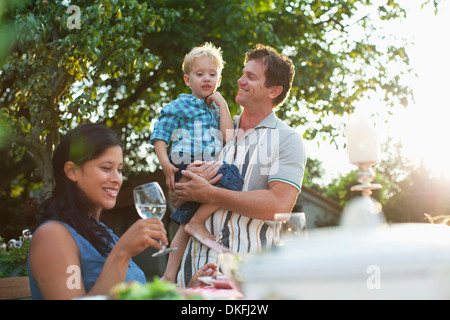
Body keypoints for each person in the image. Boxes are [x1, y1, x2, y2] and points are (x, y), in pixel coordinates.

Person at [27, 123, 213, 300]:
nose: (117, 179)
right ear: (72, 171)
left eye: (119, 170)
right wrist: (122, 252)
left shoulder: (103, 234)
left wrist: (189, 289)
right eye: (106, 168)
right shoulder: (53, 235)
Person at [173, 44, 307, 287]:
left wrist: (210, 193)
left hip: (248, 281)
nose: (240, 80)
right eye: (243, 74)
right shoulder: (213, 128)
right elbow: (178, 197)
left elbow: (279, 205)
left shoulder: (287, 139)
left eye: (251, 77)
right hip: (191, 275)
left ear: (274, 91)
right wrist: (185, 179)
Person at [150, 43, 244, 283]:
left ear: (219, 79)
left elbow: (229, 138)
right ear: (187, 79)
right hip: (186, 165)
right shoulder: (179, 105)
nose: (206, 79)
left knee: (184, 223)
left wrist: (222, 104)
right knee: (233, 175)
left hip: (205, 168)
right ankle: (198, 222)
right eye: (199, 74)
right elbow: (160, 135)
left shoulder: (216, 110)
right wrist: (165, 164)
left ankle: (169, 275)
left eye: (212, 74)